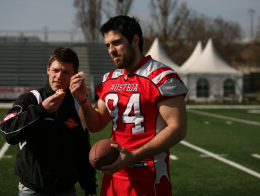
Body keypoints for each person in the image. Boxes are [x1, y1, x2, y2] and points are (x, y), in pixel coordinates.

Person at [70, 15, 188, 196]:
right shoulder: (110, 79)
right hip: (114, 173)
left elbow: (178, 128)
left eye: (116, 43)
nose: (111, 50)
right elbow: (95, 125)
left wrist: (132, 156)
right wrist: (83, 101)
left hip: (148, 176)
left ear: (135, 40)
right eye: (108, 45)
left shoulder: (160, 76)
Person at [0, 47, 97, 196]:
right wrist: (41, 110)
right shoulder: (30, 99)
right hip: (32, 191)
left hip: (67, 191)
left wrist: (90, 188)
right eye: (56, 70)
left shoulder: (79, 106)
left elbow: (83, 151)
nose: (59, 76)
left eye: (66, 72)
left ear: (74, 76)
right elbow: (8, 131)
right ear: (48, 69)